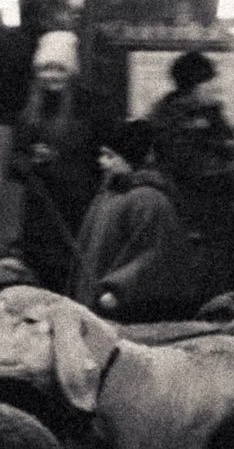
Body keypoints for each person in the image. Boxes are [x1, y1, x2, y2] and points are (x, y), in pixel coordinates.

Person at [145, 49, 234, 313]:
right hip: (193, 214)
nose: (216, 85)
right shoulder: (172, 118)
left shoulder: (210, 112)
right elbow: (194, 169)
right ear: (193, 86)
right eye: (209, 80)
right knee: (205, 281)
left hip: (218, 213)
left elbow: (227, 149)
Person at [65, 120, 196, 321]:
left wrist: (118, 287)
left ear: (131, 158)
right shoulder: (107, 196)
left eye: (110, 156)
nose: (102, 162)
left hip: (125, 306)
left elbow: (155, 253)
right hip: (94, 304)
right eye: (102, 155)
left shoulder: (149, 200)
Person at [0, 29, 97, 290]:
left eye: (59, 69)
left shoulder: (89, 107)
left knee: (74, 276)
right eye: (45, 69)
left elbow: (98, 156)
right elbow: (15, 165)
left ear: (71, 72)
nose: (51, 76)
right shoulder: (28, 111)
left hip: (78, 207)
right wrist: (31, 160)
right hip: (40, 211)